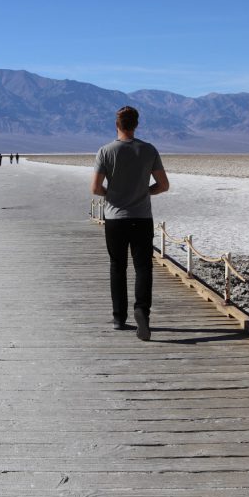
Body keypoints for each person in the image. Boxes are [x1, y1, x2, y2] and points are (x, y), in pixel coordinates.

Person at [91, 106, 169, 341]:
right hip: (142, 218)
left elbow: (95, 188)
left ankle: (118, 318)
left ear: (117, 125)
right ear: (136, 125)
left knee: (118, 267)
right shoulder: (148, 150)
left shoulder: (105, 151)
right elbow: (163, 185)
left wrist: (114, 195)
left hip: (115, 219)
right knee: (143, 267)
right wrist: (144, 193)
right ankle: (141, 311)